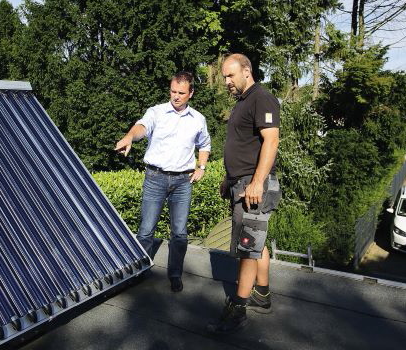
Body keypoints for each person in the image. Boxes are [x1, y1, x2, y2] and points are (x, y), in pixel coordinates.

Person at [115, 72, 211, 292]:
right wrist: (130, 136)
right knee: (146, 230)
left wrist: (202, 167)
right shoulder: (156, 112)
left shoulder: (198, 119)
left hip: (182, 182)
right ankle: (139, 271)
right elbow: (142, 127)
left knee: (179, 233)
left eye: (181, 93)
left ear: (191, 94)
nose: (176, 96)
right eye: (173, 91)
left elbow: (204, 144)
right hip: (155, 178)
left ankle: (175, 274)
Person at [207, 54, 281, 334]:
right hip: (242, 182)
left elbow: (271, 140)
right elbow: (243, 145)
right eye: (225, 77)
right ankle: (261, 294)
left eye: (230, 76)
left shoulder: (262, 98)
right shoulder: (244, 102)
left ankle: (237, 309)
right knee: (256, 241)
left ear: (247, 72)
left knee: (248, 246)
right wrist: (230, 178)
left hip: (254, 185)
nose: (226, 82)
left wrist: (257, 182)